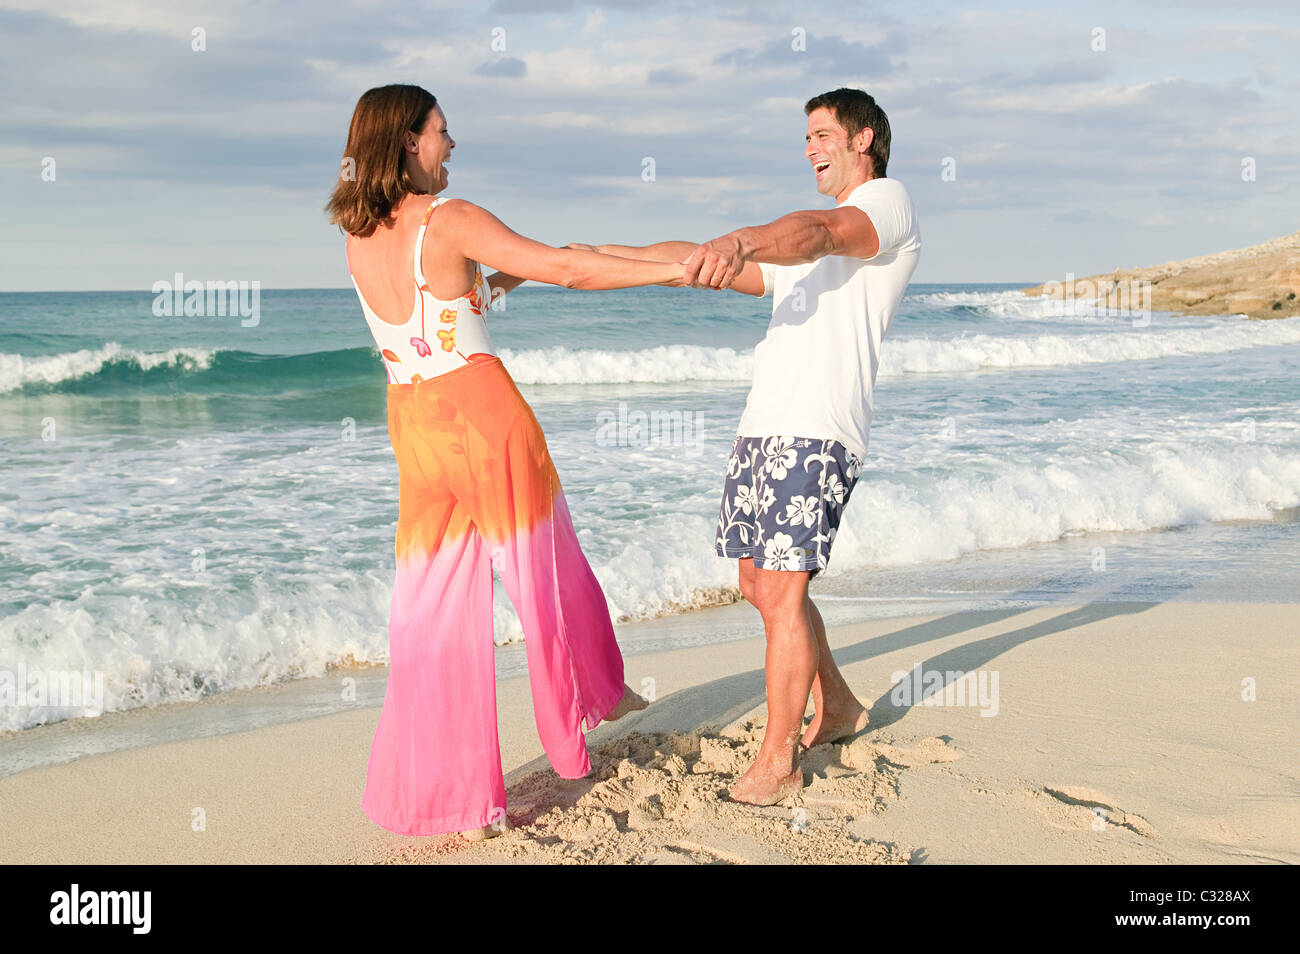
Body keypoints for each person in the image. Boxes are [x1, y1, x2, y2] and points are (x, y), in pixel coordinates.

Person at [326, 84, 677, 838]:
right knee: (542, 566)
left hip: (413, 424)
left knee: (430, 609)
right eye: (442, 133)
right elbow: (571, 271)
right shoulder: (451, 218)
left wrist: (503, 279)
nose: (451, 146)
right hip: (482, 416)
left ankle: (455, 800)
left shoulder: (356, 237)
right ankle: (594, 697)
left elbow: (439, 314)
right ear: (407, 141)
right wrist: (668, 271)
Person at [577, 88, 921, 805]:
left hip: (819, 430)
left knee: (786, 589)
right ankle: (842, 707)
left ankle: (778, 761)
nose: (810, 149)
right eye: (805, 138)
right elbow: (699, 260)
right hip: (766, 426)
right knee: (760, 585)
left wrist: (742, 237)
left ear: (863, 139)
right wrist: (588, 256)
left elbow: (821, 230)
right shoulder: (800, 247)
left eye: (823, 134)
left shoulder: (885, 204)